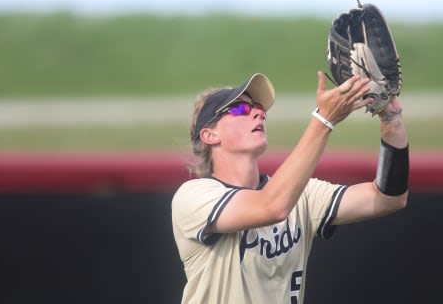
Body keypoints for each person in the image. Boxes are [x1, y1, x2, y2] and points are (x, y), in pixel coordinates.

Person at [171, 71, 409, 304]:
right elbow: (272, 207)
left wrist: (391, 118)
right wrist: (324, 119)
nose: (257, 113)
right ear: (209, 135)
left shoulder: (300, 195)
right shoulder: (193, 197)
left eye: (259, 108)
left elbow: (388, 197)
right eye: (240, 108)